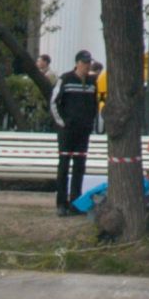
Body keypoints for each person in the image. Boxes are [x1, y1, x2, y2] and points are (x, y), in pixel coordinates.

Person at [50, 48, 98, 215]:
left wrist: (90, 121)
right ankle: (61, 203)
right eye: (84, 63)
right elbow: (54, 102)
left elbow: (93, 104)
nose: (87, 66)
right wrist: (63, 123)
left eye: (89, 63)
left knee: (79, 166)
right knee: (64, 165)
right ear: (77, 63)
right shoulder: (66, 79)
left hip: (83, 130)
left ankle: (76, 201)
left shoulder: (92, 82)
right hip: (67, 131)